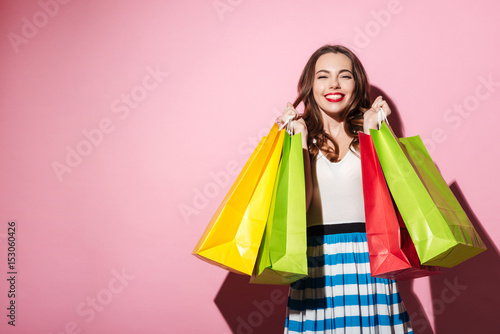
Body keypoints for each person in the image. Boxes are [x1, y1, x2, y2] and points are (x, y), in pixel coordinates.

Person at [277, 44, 413, 334]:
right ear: (309, 85)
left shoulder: (370, 131)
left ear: (357, 83)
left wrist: (376, 132)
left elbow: (392, 201)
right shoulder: (298, 136)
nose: (334, 84)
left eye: (345, 76)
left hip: (369, 259)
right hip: (316, 262)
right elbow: (298, 208)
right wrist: (298, 140)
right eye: (323, 76)